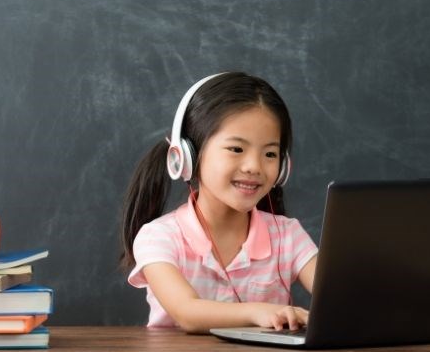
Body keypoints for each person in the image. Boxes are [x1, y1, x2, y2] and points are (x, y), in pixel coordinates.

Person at [120, 72, 318, 333]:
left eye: (270, 153)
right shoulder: (159, 237)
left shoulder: (287, 235)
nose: (254, 166)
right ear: (188, 156)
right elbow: (188, 312)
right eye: (236, 149)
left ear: (282, 167)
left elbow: (340, 298)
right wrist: (261, 311)